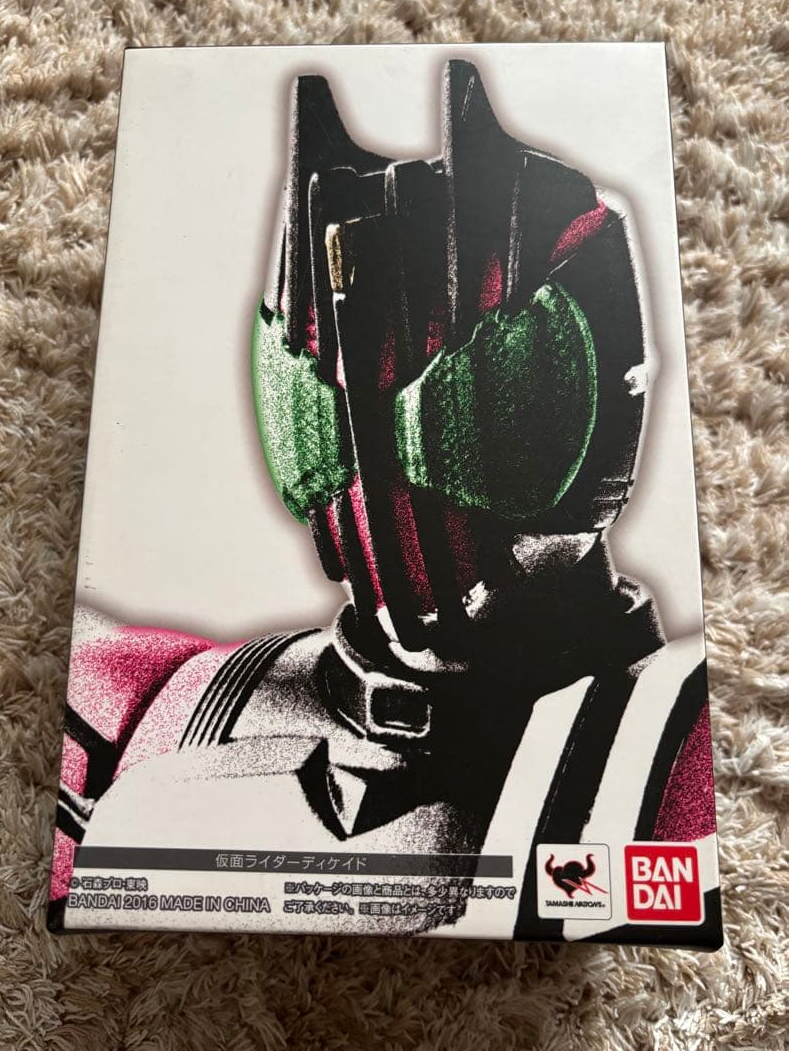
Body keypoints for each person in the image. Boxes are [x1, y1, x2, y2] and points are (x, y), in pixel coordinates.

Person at [50, 61, 718, 941]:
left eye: (473, 401)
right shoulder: (146, 704)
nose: (383, 451)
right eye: (335, 397)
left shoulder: (682, 749)